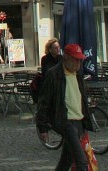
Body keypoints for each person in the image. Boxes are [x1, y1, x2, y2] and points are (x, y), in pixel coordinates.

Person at [36, 43, 93, 171]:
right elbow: (43, 101)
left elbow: (81, 98)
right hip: (65, 120)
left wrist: (85, 123)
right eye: (75, 59)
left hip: (78, 120)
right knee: (81, 161)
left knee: (66, 160)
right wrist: (42, 127)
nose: (78, 62)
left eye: (80, 59)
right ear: (66, 57)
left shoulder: (78, 73)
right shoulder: (54, 74)